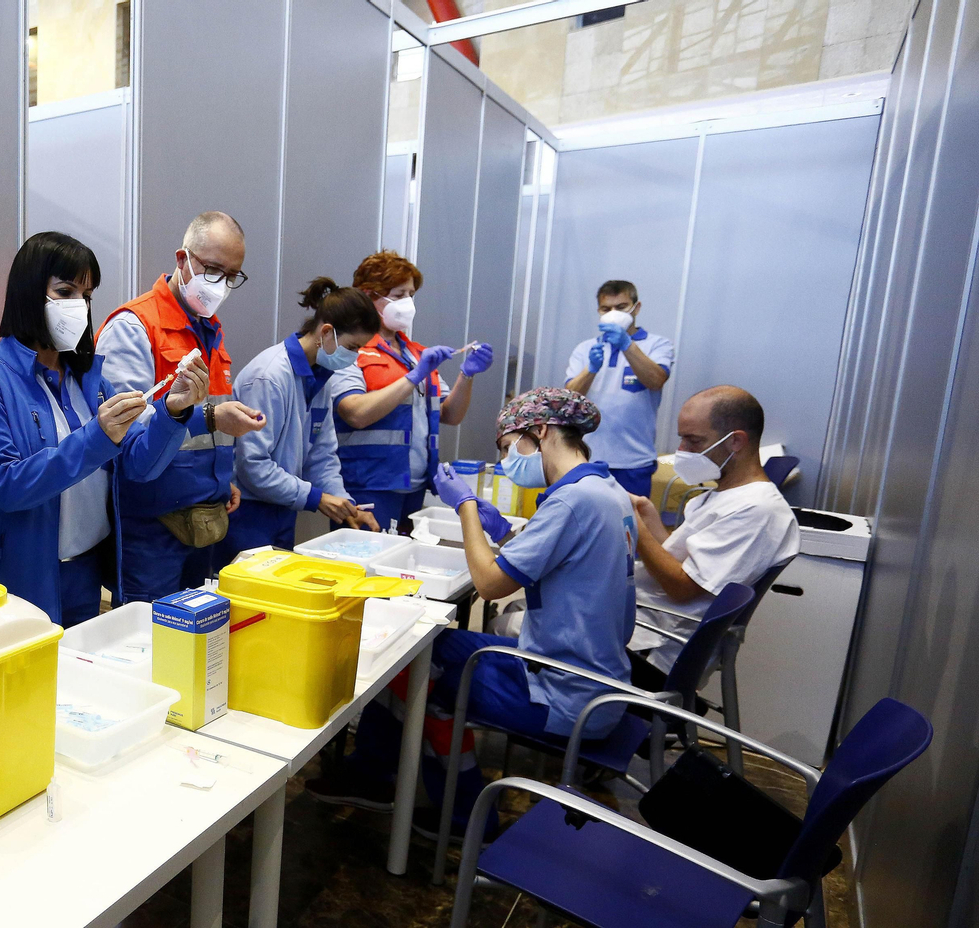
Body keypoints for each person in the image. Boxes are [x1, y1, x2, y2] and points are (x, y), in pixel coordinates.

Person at [310, 388, 636, 834]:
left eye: (507, 448)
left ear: (538, 432)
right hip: (590, 672)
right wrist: (500, 533)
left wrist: (464, 506)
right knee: (425, 647)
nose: (506, 462)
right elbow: (560, 564)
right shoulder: (606, 491)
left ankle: (461, 817)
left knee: (425, 674)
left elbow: (488, 584)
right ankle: (375, 771)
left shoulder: (572, 501)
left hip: (565, 692)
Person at [0, 232, 207, 627]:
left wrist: (171, 414)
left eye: (86, 296)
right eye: (65, 291)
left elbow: (140, 466)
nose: (79, 307)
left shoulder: (89, 378)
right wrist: (96, 438)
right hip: (24, 574)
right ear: (27, 292)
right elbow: (5, 486)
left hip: (87, 570)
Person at [95, 211, 267, 602]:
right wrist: (208, 418)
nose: (220, 284)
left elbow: (212, 426)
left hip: (205, 518)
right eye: (212, 269)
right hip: (150, 528)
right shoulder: (134, 327)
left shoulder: (210, 329)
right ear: (182, 259)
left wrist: (220, 477)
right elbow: (128, 440)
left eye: (231, 276)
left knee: (196, 644)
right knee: (150, 646)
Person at [627, 386, 801, 682]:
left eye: (694, 441)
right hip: (643, 624)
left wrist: (636, 528)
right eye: (682, 438)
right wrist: (651, 522)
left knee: (526, 623)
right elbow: (687, 561)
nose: (682, 451)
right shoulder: (727, 494)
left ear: (735, 441)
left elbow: (682, 587)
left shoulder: (756, 510)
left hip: (652, 649)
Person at [220, 278, 382, 561]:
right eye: (353, 347)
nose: (355, 359)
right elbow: (253, 465)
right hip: (248, 512)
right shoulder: (270, 376)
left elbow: (322, 455)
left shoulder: (320, 376)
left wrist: (345, 503)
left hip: (283, 510)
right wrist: (317, 498)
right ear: (327, 332)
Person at [332, 250, 495, 532]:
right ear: (369, 296)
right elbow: (354, 413)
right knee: (364, 566)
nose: (407, 303)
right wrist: (413, 377)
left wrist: (466, 375)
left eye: (411, 294)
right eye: (398, 295)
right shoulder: (351, 349)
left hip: (415, 483)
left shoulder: (415, 353)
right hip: (367, 484)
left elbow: (449, 414)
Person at [564, 280, 675, 497]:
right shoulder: (585, 348)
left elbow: (656, 380)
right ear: (599, 312)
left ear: (637, 307)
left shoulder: (658, 345)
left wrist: (627, 345)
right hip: (587, 458)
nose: (613, 313)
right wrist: (591, 370)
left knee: (631, 527)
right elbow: (570, 399)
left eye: (621, 307)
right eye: (606, 309)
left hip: (634, 461)